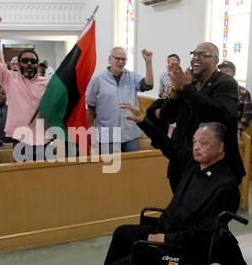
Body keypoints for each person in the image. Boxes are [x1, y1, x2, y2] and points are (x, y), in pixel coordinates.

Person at [81, 121, 249, 265]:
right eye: (194, 142)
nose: (196, 147)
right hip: (167, 230)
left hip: (182, 249)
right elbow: (168, 146)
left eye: (203, 143)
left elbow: (204, 233)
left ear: (220, 147)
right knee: (122, 234)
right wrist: (143, 122)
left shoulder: (225, 186)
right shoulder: (193, 164)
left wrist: (166, 238)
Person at [156, 42, 245, 192]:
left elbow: (221, 115)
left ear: (216, 61)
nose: (196, 58)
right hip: (183, 163)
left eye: (203, 55)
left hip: (213, 167)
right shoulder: (189, 82)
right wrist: (175, 92)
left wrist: (187, 88)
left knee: (206, 213)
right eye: (194, 54)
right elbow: (166, 117)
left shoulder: (225, 82)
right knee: (181, 210)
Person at [0, 14, 53, 161]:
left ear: (37, 64)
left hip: (44, 140)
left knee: (46, 179)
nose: (29, 63)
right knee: (22, 180)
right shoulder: (9, 79)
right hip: (20, 139)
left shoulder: (47, 83)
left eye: (33, 61)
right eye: (25, 60)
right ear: (19, 63)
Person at [86, 46, 154, 154]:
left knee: (132, 169)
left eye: (124, 59)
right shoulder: (98, 80)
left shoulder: (132, 77)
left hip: (131, 135)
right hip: (108, 137)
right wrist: (90, 132)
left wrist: (148, 62)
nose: (121, 62)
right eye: (117, 58)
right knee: (111, 170)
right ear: (110, 59)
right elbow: (91, 107)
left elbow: (148, 85)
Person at [218, 60, 252, 136]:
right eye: (221, 72)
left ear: (234, 73)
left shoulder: (244, 93)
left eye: (227, 71)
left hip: (235, 132)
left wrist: (237, 131)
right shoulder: (215, 91)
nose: (223, 74)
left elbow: (247, 115)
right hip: (215, 132)